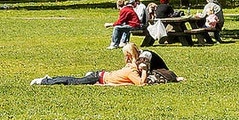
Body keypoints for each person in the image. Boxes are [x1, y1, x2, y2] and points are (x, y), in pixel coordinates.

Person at [31, 43, 173, 86]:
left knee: (73, 80)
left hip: (101, 76)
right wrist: (144, 72)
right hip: (98, 77)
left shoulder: (131, 68)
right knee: (72, 81)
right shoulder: (132, 70)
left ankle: (48, 79)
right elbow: (141, 84)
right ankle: (45, 81)